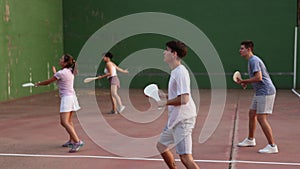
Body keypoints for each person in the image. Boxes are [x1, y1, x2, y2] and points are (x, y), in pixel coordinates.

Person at [156, 40, 200, 169]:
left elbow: (184, 99)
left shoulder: (181, 73)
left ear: (174, 54)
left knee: (186, 158)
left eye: (167, 50)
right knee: (161, 145)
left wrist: (165, 103)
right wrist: (164, 96)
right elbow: (178, 95)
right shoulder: (175, 71)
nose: (164, 52)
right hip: (175, 119)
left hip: (183, 120)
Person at [35, 54, 84, 153]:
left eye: (62, 59)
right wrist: (55, 72)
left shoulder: (61, 73)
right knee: (68, 121)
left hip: (67, 99)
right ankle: (71, 140)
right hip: (71, 97)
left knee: (64, 122)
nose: (60, 59)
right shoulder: (69, 71)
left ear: (65, 63)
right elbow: (59, 77)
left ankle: (77, 141)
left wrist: (38, 83)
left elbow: (49, 81)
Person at [236, 40, 278, 153]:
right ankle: (250, 139)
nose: (240, 51)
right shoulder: (251, 61)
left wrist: (244, 81)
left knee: (261, 118)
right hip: (259, 92)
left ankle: (272, 145)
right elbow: (256, 78)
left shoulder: (253, 60)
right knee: (251, 114)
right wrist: (246, 82)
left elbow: (258, 78)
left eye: (242, 48)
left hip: (266, 91)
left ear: (249, 49)